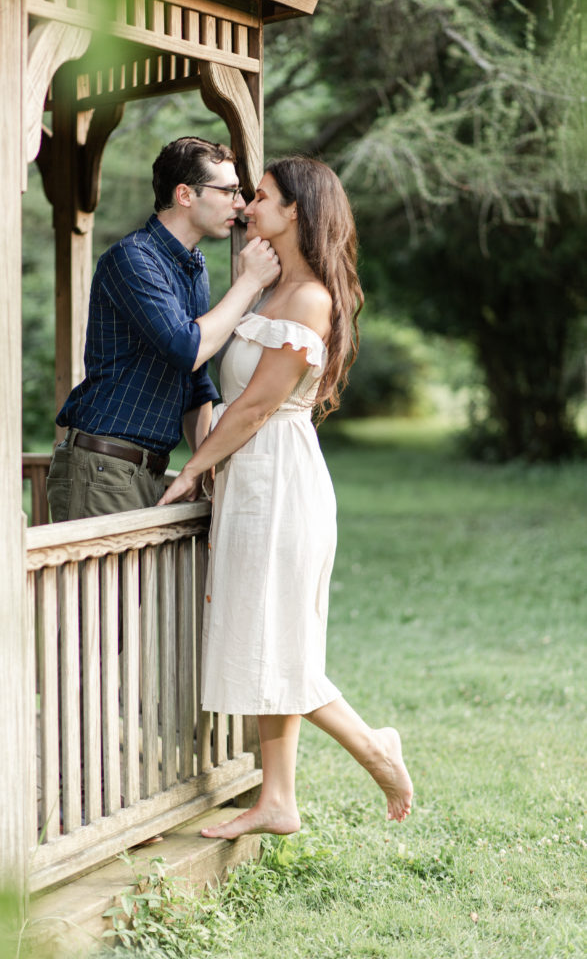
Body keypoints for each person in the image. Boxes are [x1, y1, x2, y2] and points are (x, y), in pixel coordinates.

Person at [158, 156, 413, 837]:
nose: (246, 207)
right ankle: (278, 801)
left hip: (278, 479)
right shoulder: (274, 291)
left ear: (296, 210)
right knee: (262, 636)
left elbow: (254, 408)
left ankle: (372, 747)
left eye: (262, 197)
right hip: (250, 479)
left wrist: (191, 469)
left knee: (280, 642)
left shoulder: (309, 301)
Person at [47, 136, 280, 522]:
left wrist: (203, 463)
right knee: (108, 587)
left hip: (146, 470)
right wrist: (249, 282)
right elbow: (185, 347)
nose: (240, 205)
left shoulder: (194, 265)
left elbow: (195, 378)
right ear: (186, 194)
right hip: (104, 467)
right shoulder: (132, 258)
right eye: (229, 191)